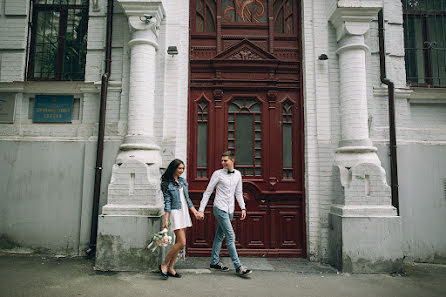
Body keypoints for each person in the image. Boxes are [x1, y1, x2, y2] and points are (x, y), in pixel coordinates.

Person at [197, 151, 252, 277]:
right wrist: (201, 209)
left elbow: (238, 193)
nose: (222, 163)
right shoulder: (217, 174)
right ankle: (238, 266)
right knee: (230, 236)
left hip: (230, 210)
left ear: (232, 161)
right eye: (221, 160)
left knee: (219, 236)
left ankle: (214, 262)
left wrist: (243, 208)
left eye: (225, 160)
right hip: (219, 208)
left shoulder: (238, 174)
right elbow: (207, 192)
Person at [159, 159, 199, 279]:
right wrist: (166, 219)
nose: (181, 170)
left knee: (178, 243)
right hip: (175, 212)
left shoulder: (183, 181)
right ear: (174, 168)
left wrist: (195, 212)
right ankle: (164, 264)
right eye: (179, 168)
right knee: (182, 242)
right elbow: (167, 201)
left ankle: (171, 268)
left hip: (184, 211)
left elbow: (187, 199)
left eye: (183, 168)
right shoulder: (166, 183)